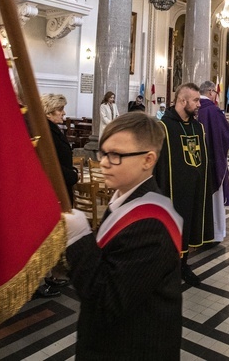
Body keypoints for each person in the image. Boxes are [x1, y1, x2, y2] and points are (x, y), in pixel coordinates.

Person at [63, 112, 183, 360]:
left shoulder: (151, 223)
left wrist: (79, 239)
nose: (104, 162)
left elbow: (107, 302)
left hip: (132, 348)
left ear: (148, 160)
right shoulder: (123, 200)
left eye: (116, 155)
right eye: (103, 153)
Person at [154, 83, 212, 286]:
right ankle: (167, 268)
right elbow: (157, 164)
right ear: (182, 100)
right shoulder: (164, 127)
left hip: (193, 191)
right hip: (171, 192)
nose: (199, 104)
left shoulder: (198, 127)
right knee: (171, 231)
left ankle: (184, 265)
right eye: (195, 100)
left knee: (188, 229)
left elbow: (203, 159)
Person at [37, 93, 79, 298]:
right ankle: (43, 278)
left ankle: (53, 273)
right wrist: (72, 175)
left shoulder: (51, 129)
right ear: (49, 111)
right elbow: (49, 164)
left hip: (59, 188)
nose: (64, 113)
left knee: (56, 233)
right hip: (54, 190)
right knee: (49, 234)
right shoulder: (46, 132)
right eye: (60, 110)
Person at [197, 81, 229, 244]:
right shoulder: (213, 110)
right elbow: (227, 135)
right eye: (215, 93)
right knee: (215, 199)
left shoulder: (194, 109)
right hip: (214, 161)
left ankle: (199, 231)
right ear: (211, 92)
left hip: (197, 162)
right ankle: (216, 232)